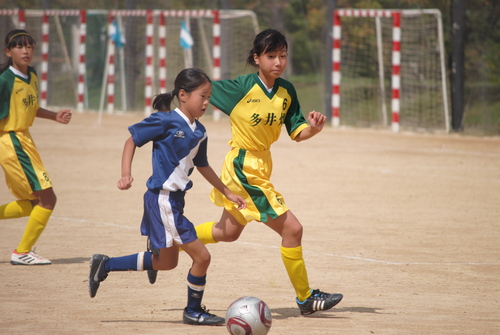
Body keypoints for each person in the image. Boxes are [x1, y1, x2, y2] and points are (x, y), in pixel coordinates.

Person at [192, 29, 343, 315]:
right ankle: (306, 298)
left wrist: (314, 128)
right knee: (293, 229)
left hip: (262, 165)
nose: (278, 62)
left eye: (283, 56)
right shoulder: (241, 87)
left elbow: (298, 132)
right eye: (271, 56)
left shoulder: (286, 91)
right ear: (256, 58)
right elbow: (202, 90)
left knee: (227, 232)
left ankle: (172, 238)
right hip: (243, 167)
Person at [88, 68, 246, 326]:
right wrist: (125, 173)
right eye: (202, 96)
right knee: (202, 257)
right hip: (163, 199)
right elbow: (131, 141)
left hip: (174, 201)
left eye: (209, 97)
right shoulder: (164, 121)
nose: (207, 102)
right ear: (182, 95)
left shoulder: (200, 131)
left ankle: (104, 265)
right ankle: (193, 311)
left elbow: (203, 164)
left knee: (166, 262)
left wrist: (227, 191)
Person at [0, 29, 72, 265]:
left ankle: (23, 251)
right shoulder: (4, 82)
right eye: (19, 47)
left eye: (29, 46)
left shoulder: (31, 75)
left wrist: (54, 116)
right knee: (47, 199)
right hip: (12, 143)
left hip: (24, 141)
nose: (25, 51)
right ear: (8, 52)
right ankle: (22, 252)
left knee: (35, 202)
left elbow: (31, 108)